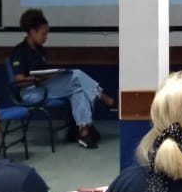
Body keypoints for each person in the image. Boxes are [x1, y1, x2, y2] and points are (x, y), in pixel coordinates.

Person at [10, 8, 115, 149]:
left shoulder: (39, 49)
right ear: (32, 31)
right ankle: (104, 98)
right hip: (30, 92)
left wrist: (51, 75)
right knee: (76, 75)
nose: (46, 37)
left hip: (43, 86)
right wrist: (35, 79)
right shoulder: (19, 51)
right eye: (43, 34)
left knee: (77, 90)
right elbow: (19, 80)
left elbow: (42, 72)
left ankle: (83, 133)